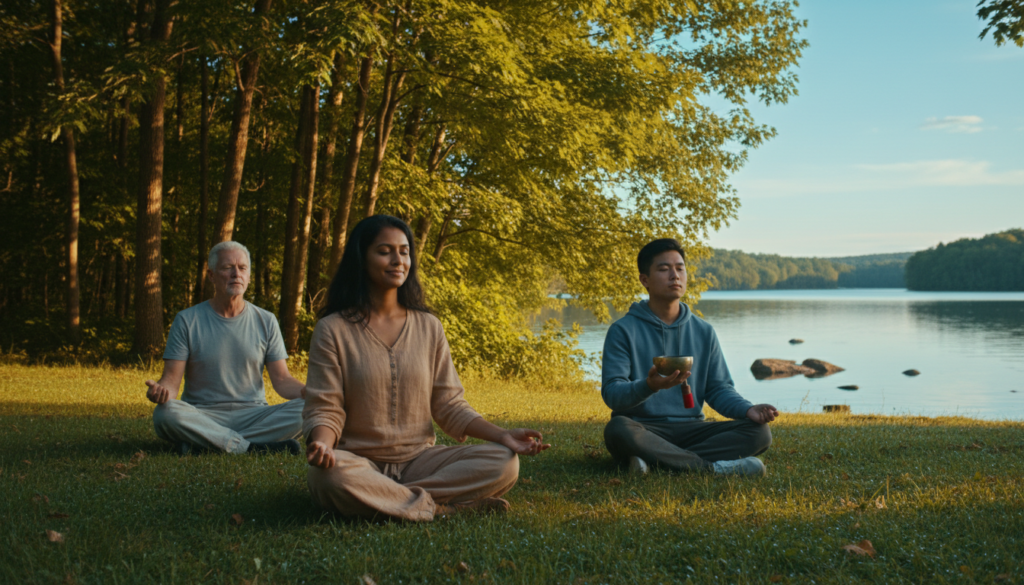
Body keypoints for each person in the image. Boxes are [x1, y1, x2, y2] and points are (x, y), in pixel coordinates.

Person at [303, 215, 550, 521]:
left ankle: (382, 498)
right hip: (359, 460)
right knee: (329, 477)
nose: (398, 260)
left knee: (504, 462)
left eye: (404, 251)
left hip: (421, 461)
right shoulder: (332, 329)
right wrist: (324, 447)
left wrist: (503, 436)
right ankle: (441, 508)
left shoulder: (429, 326)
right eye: (384, 251)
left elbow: (449, 405)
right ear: (361, 258)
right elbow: (326, 407)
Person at [601, 238, 777, 476]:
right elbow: (613, 393)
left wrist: (748, 410)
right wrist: (649, 386)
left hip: (693, 429)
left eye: (680, 268)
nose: (675, 275)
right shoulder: (623, 330)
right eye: (664, 269)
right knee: (618, 429)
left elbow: (718, 389)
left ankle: (655, 461)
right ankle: (711, 468)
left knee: (759, 432)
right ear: (645, 280)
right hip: (644, 427)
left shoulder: (704, 331)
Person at [144, 241, 305, 455]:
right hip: (203, 414)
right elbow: (171, 382)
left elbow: (282, 381)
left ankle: (206, 443)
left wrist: (313, 393)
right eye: (228, 267)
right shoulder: (186, 320)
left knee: (311, 408)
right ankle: (250, 447)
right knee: (165, 414)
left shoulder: (266, 320)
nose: (236, 274)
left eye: (242, 268)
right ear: (211, 275)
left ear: (248, 276)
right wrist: (162, 391)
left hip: (254, 414)